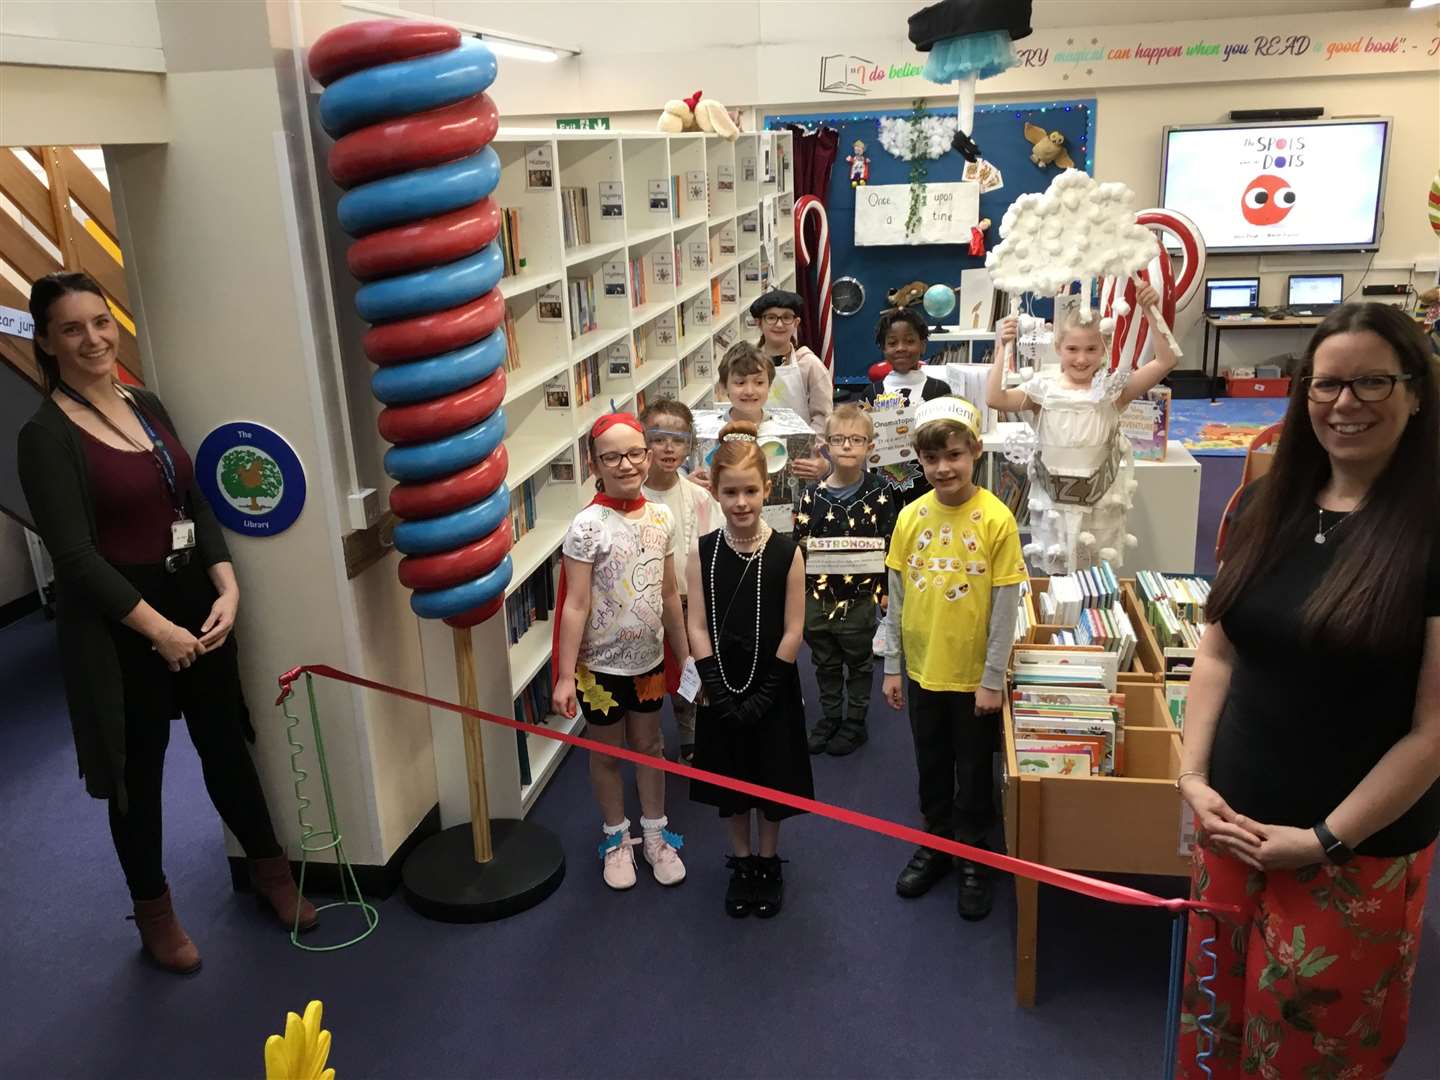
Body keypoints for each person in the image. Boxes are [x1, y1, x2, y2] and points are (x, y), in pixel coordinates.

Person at [16, 271, 314, 976]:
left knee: (226, 747)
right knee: (137, 776)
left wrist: (228, 583)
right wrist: (158, 630)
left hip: (194, 605)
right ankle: (154, 913)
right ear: (48, 342)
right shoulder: (44, 435)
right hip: (120, 627)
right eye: (71, 328)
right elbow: (76, 558)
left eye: (100, 322)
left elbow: (197, 501)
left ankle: (272, 875)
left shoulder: (145, 402)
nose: (92, 338)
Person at [1173, 304, 1439, 1080]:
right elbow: (1219, 650)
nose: (1345, 403)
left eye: (1372, 382)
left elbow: (1433, 730)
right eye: (1327, 385)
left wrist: (1322, 839)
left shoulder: (1429, 531)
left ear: (1417, 391)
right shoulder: (1266, 504)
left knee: (1309, 1052)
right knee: (1215, 1031)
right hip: (1233, 830)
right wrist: (1193, 778)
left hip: (1351, 856)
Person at [881, 396, 1026, 921]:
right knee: (931, 761)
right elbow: (896, 598)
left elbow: (1006, 605)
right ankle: (937, 841)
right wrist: (893, 665)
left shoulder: (996, 519)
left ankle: (972, 853)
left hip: (973, 680)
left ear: (975, 453)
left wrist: (992, 678)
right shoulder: (909, 518)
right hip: (922, 670)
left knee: (973, 767)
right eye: (932, 459)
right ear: (919, 461)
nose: (943, 468)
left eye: (955, 456)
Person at [552, 413, 692, 890]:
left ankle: (655, 835)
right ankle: (616, 838)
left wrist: (687, 655)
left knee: (650, 747)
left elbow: (670, 594)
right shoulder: (587, 526)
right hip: (599, 670)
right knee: (607, 753)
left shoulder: (661, 517)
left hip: (649, 663)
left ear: (648, 456)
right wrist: (566, 675)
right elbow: (574, 603)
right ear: (595, 463)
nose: (626, 464)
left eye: (635, 453)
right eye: (612, 456)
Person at [687, 420, 812, 919]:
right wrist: (715, 685)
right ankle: (741, 862)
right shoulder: (703, 552)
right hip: (722, 688)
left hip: (772, 686)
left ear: (768, 489)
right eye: (731, 492)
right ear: (715, 492)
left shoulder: (786, 552)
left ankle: (767, 861)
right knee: (732, 781)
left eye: (751, 491)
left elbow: (793, 630)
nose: (741, 502)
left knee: (769, 778)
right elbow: (697, 623)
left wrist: (766, 693)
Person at [989, 282, 1176, 574]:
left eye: (1091, 349)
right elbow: (995, 397)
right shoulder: (1043, 391)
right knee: (1057, 574)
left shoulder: (1113, 390)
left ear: (1104, 349)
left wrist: (1152, 311)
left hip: (1099, 502)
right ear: (1058, 348)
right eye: (1072, 348)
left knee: (1094, 574)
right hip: (1053, 502)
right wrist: (1003, 347)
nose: (1081, 358)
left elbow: (1166, 360)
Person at [793, 404, 897, 756]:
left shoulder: (881, 491)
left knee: (858, 660)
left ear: (870, 446)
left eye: (856, 440)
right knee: (824, 660)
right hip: (818, 595)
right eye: (839, 439)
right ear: (826, 446)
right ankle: (831, 716)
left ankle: (855, 721)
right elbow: (799, 544)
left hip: (860, 597)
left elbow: (889, 543)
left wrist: (883, 592)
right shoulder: (812, 493)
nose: (848, 446)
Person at [639, 399, 719, 765]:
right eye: (658, 438)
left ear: (689, 445)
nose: (669, 448)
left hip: (691, 602)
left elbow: (718, 550)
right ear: (643, 443)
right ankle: (649, 740)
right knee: (651, 678)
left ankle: (690, 731)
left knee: (691, 670)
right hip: (644, 608)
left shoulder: (699, 498)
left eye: (678, 439)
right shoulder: (633, 498)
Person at [865, 308, 954, 506]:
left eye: (910, 341)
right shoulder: (871, 393)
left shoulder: (939, 389)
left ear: (923, 345)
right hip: (882, 485)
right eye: (892, 342)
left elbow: (948, 437)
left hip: (930, 481)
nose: (901, 348)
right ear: (883, 348)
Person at [749, 289, 833, 433]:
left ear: (796, 322)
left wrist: (809, 449)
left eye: (787, 317)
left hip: (802, 451)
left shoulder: (809, 364)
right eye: (771, 317)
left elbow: (823, 417)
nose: (779, 324)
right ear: (759, 322)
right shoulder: (747, 363)